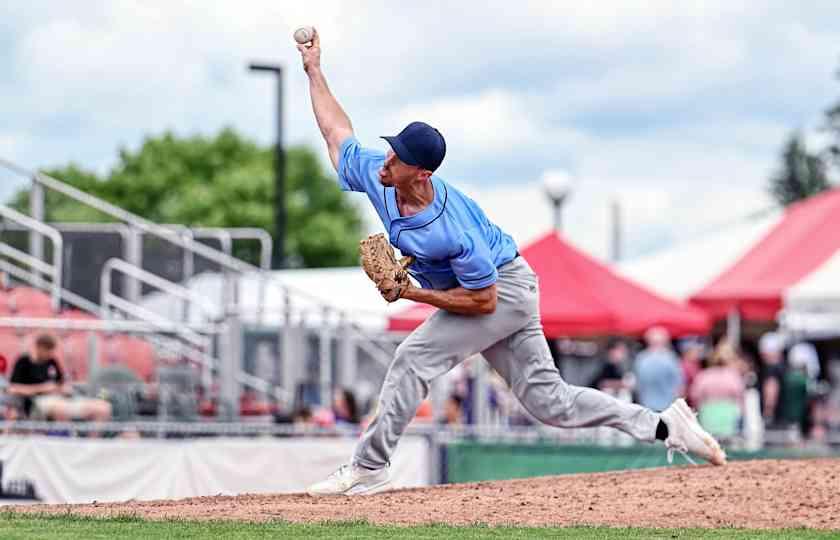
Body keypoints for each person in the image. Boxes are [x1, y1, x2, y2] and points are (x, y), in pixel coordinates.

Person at [297, 29, 726, 496]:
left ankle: (370, 466)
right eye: (390, 149)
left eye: (398, 158)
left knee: (412, 358)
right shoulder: (382, 174)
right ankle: (665, 426)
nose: (386, 159)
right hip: (498, 292)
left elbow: (484, 301)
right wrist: (315, 71)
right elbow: (337, 134)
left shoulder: (453, 228)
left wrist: (411, 293)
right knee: (551, 403)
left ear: (421, 174)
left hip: (503, 290)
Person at [8, 334, 111, 426]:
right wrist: (42, 388)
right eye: (47, 350)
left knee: (103, 408)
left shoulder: (51, 361)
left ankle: (92, 444)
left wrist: (64, 389)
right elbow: (13, 389)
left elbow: (60, 383)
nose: (50, 354)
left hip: (61, 399)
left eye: (51, 351)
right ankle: (66, 440)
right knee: (60, 409)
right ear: (38, 347)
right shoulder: (23, 362)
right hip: (37, 403)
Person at [689, 341, 746, 438]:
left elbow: (694, 395)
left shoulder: (704, 375)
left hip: (708, 414)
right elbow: (740, 396)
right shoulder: (733, 376)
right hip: (729, 415)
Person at [634, 327, 684, 412]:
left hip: (646, 407)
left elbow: (637, 385)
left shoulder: (641, 359)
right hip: (668, 407)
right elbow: (679, 385)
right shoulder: (670, 358)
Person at [757, 332, 786, 427]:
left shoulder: (771, 369)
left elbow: (771, 391)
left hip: (774, 420)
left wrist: (768, 413)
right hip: (783, 419)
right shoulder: (784, 368)